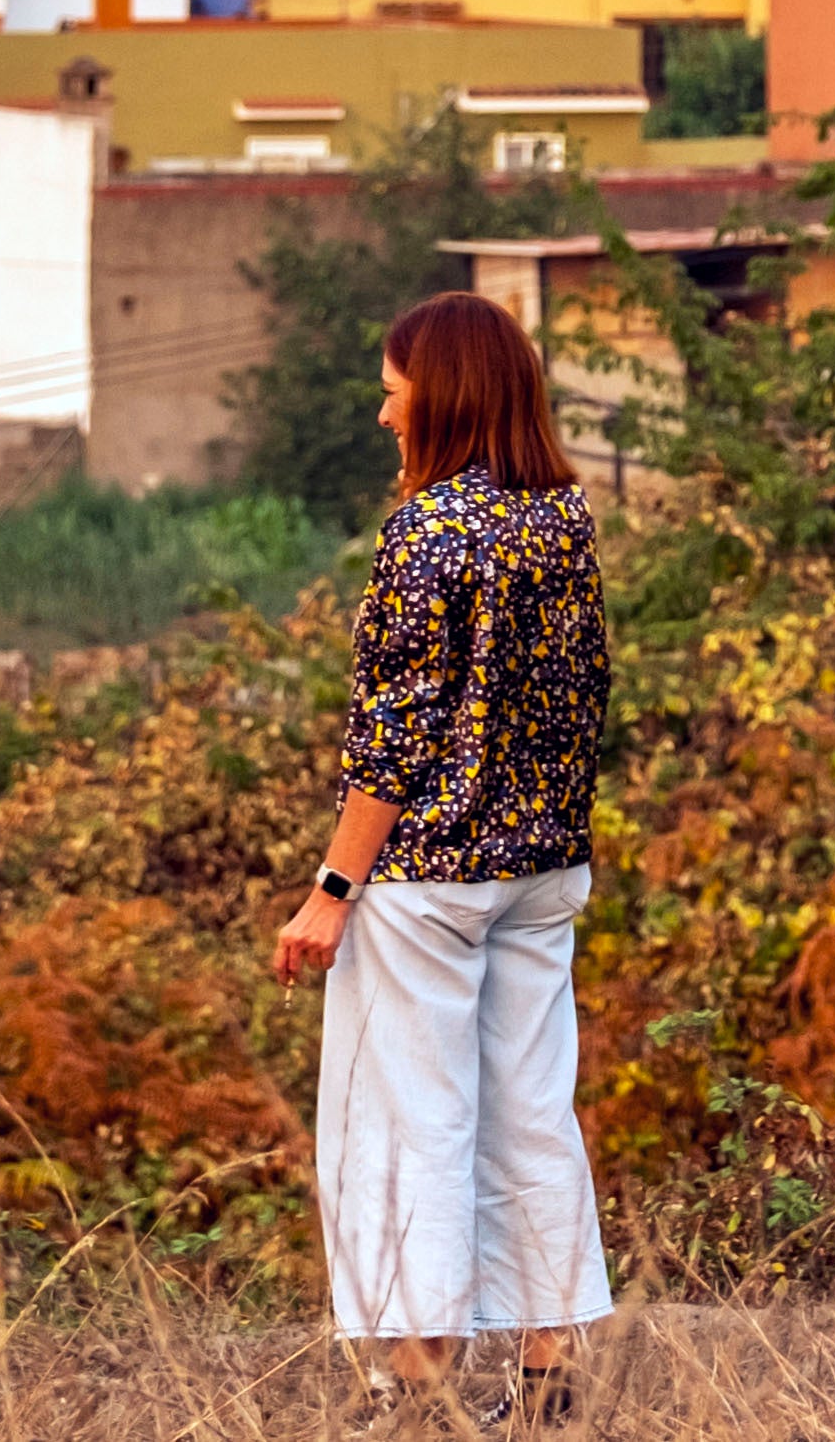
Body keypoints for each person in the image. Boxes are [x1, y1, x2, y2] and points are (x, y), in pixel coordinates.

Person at [274, 289, 614, 1417]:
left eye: (392, 389)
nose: (383, 415)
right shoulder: (560, 514)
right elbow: (577, 695)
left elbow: (394, 730)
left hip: (430, 875)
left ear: (443, 394)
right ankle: (547, 1369)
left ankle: (415, 1385)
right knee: (529, 1108)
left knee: (407, 1118)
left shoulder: (431, 530)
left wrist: (330, 888)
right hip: (542, 866)